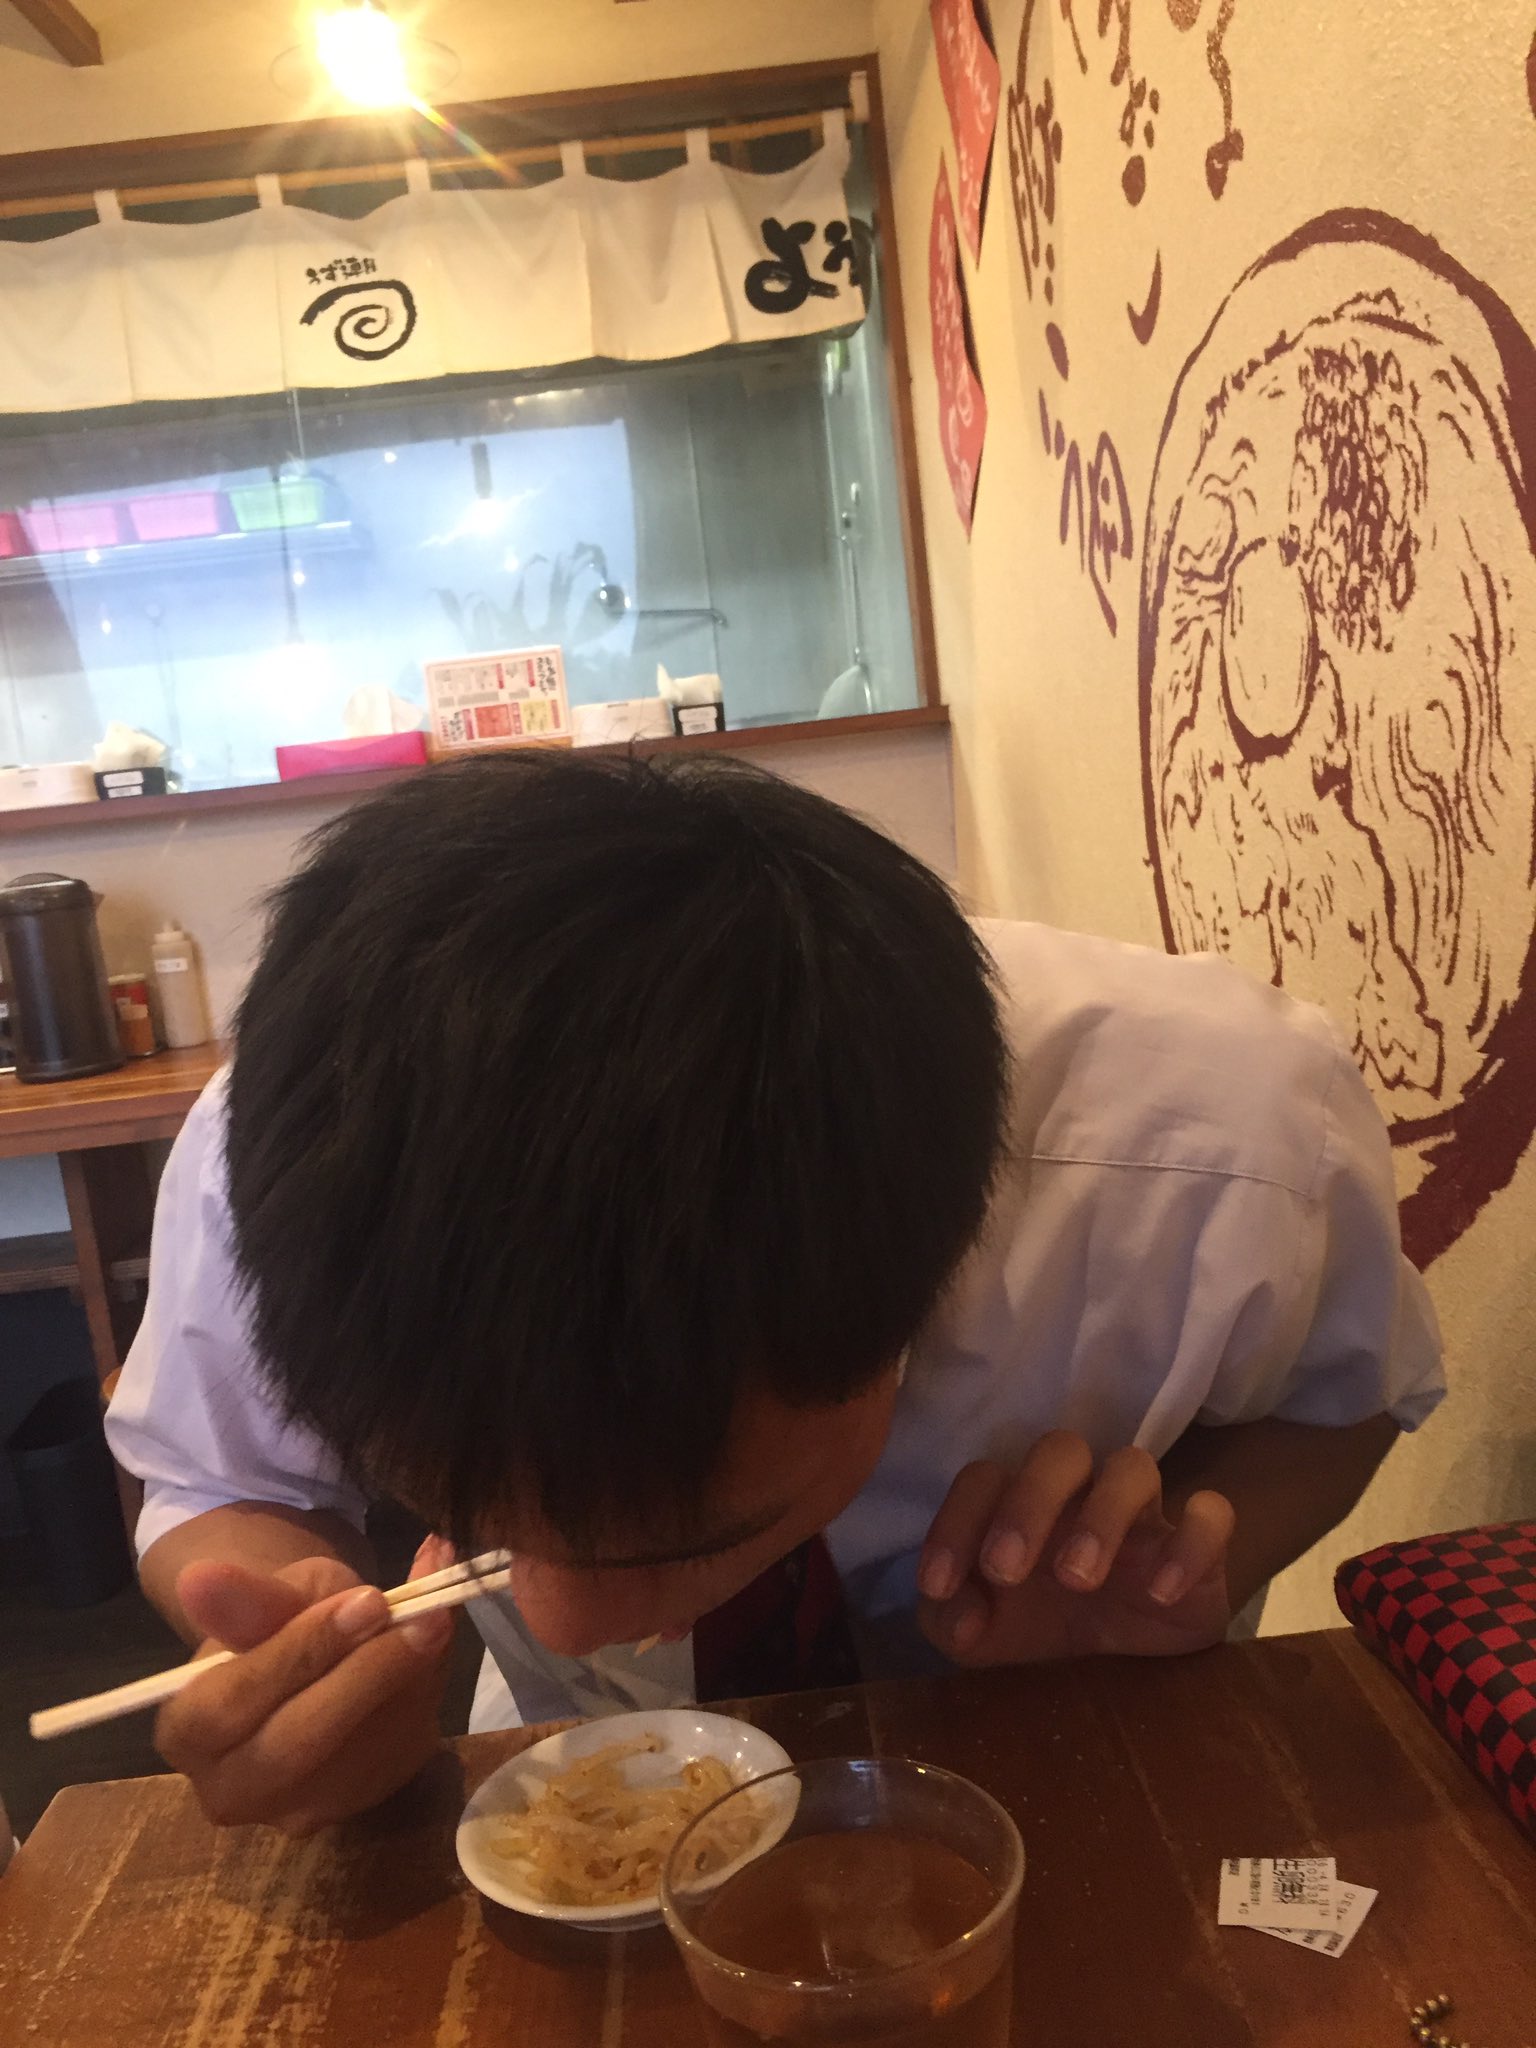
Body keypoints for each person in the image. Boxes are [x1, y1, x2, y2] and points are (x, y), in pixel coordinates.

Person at [107, 752, 1442, 1837]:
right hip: (583, 1784)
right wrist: (300, 1662)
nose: (562, 1623)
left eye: (683, 1540)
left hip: (1069, 1760)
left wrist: (1187, 1569)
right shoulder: (288, 1161)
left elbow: (1349, 1398)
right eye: (473, 1517)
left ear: (926, 1279)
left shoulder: (1227, 1152)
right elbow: (214, 1477)